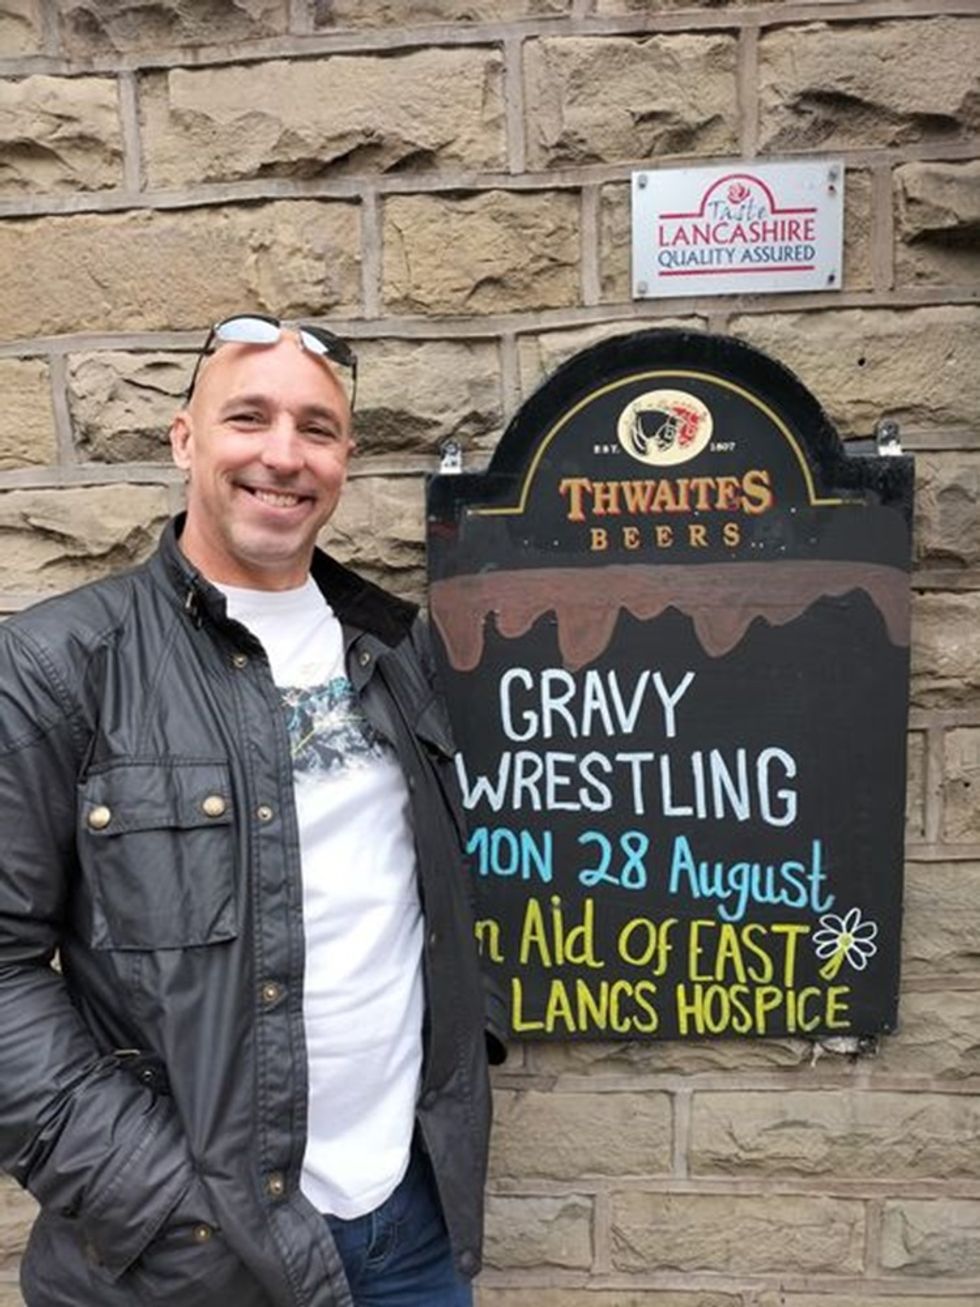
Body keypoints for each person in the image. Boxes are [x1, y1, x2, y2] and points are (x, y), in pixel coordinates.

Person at [0, 314, 505, 1307]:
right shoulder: (60, 665)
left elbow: (429, 891)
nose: (283, 453)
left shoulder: (393, 645)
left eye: (316, 428)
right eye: (248, 417)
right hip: (192, 1255)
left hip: (411, 1224)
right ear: (184, 439)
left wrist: (467, 1043)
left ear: (345, 459)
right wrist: (151, 1191)